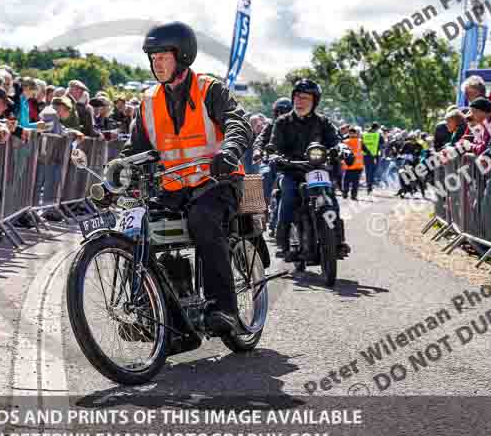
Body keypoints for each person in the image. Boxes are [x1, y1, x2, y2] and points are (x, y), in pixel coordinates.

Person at [120, 21, 252, 335]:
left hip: (218, 182)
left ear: (182, 56)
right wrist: (121, 171)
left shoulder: (209, 88)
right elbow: (134, 148)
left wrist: (230, 150)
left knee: (203, 219)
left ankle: (224, 310)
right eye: (152, 58)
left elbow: (238, 122)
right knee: (136, 225)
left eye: (162, 56)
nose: (156, 64)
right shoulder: (149, 101)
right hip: (174, 188)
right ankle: (149, 310)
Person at [269, 79, 348, 261]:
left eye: (305, 98)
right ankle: (284, 242)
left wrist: (343, 149)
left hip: (316, 170)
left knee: (330, 198)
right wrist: (274, 156)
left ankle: (337, 242)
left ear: (314, 101)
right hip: (291, 170)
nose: (300, 101)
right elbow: (273, 145)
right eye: (297, 97)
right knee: (288, 197)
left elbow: (335, 140)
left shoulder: (322, 122)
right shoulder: (282, 122)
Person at [253, 97, 292, 237]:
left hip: (293, 163)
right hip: (272, 161)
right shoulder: (271, 125)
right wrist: (258, 151)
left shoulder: (299, 124)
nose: (282, 114)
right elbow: (261, 139)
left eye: (286, 111)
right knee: (265, 176)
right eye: (279, 111)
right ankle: (263, 210)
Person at [342, 127, 365, 200]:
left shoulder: (345, 142)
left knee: (346, 181)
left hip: (348, 165)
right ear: (356, 133)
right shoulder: (360, 141)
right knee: (355, 182)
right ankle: (353, 195)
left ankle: (345, 193)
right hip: (358, 166)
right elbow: (366, 150)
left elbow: (341, 153)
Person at [361, 122, 383, 195]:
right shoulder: (378, 135)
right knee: (373, 171)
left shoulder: (363, 134)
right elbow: (382, 144)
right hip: (374, 155)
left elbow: (361, 144)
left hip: (366, 156)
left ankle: (369, 186)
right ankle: (370, 186)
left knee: (368, 171)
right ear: (376, 128)